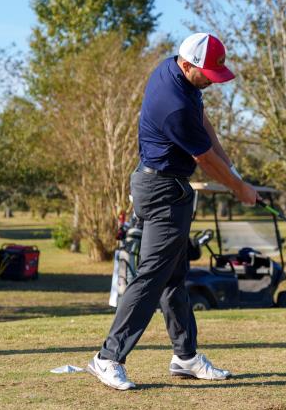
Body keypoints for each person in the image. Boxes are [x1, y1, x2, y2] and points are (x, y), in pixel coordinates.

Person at [87, 33, 258, 391]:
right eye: (208, 75)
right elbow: (203, 157)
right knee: (152, 276)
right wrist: (238, 188)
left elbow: (204, 125)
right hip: (163, 190)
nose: (212, 83)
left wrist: (234, 170)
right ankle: (108, 357)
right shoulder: (174, 102)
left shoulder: (173, 71)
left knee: (174, 275)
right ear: (187, 64)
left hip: (163, 186)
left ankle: (186, 356)